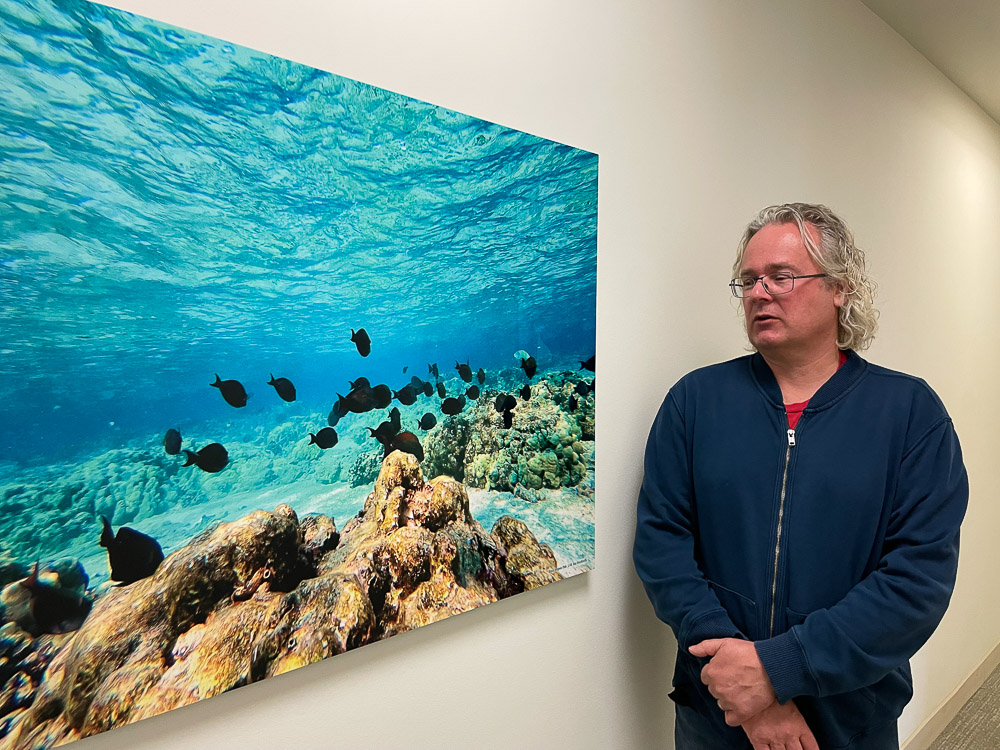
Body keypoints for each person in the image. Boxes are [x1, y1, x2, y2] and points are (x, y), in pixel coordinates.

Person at [633, 203, 968, 750]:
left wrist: (776, 670)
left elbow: (917, 581)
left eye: (780, 277)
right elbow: (661, 544)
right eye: (747, 281)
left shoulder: (910, 414)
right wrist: (742, 687)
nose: (759, 292)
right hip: (714, 712)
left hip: (847, 718)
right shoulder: (694, 402)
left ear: (840, 288)